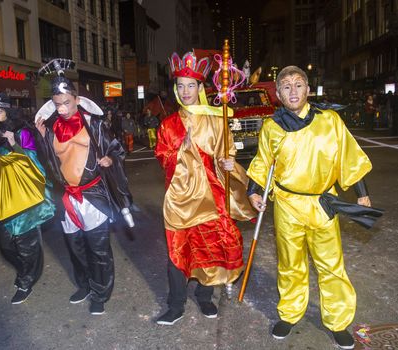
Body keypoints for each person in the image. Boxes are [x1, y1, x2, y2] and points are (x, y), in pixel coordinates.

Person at [247, 66, 375, 350]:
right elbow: (262, 162)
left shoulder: (330, 121)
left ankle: (338, 321)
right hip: (287, 205)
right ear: (278, 94)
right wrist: (254, 192)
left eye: (298, 85)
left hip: (322, 203)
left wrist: (362, 195)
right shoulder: (272, 126)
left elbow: (349, 158)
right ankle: (290, 313)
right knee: (291, 265)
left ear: (308, 89)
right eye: (286, 87)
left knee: (331, 265)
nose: (293, 91)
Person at [154, 51, 256, 325]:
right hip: (179, 199)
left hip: (212, 197)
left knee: (210, 247)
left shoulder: (215, 119)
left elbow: (228, 152)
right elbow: (162, 156)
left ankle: (204, 296)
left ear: (201, 88)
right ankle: (175, 305)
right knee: (178, 251)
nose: (185, 91)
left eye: (191, 85)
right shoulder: (168, 124)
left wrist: (227, 162)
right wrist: (181, 152)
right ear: (175, 89)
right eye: (180, 85)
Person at [35, 74, 133, 315]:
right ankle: (85, 285)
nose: (63, 108)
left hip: (93, 194)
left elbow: (116, 149)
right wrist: (40, 136)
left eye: (67, 102)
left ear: (77, 100)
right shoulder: (49, 128)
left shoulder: (95, 124)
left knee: (98, 248)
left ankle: (100, 292)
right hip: (67, 197)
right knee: (75, 246)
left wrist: (110, 158)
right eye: (58, 103)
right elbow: (48, 162)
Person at [0, 93, 55, 304]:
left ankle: (26, 280)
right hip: (2, 200)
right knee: (6, 247)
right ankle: (25, 271)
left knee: (27, 246)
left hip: (24, 199)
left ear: (7, 113)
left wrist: (15, 145)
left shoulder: (21, 134)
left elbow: (36, 166)